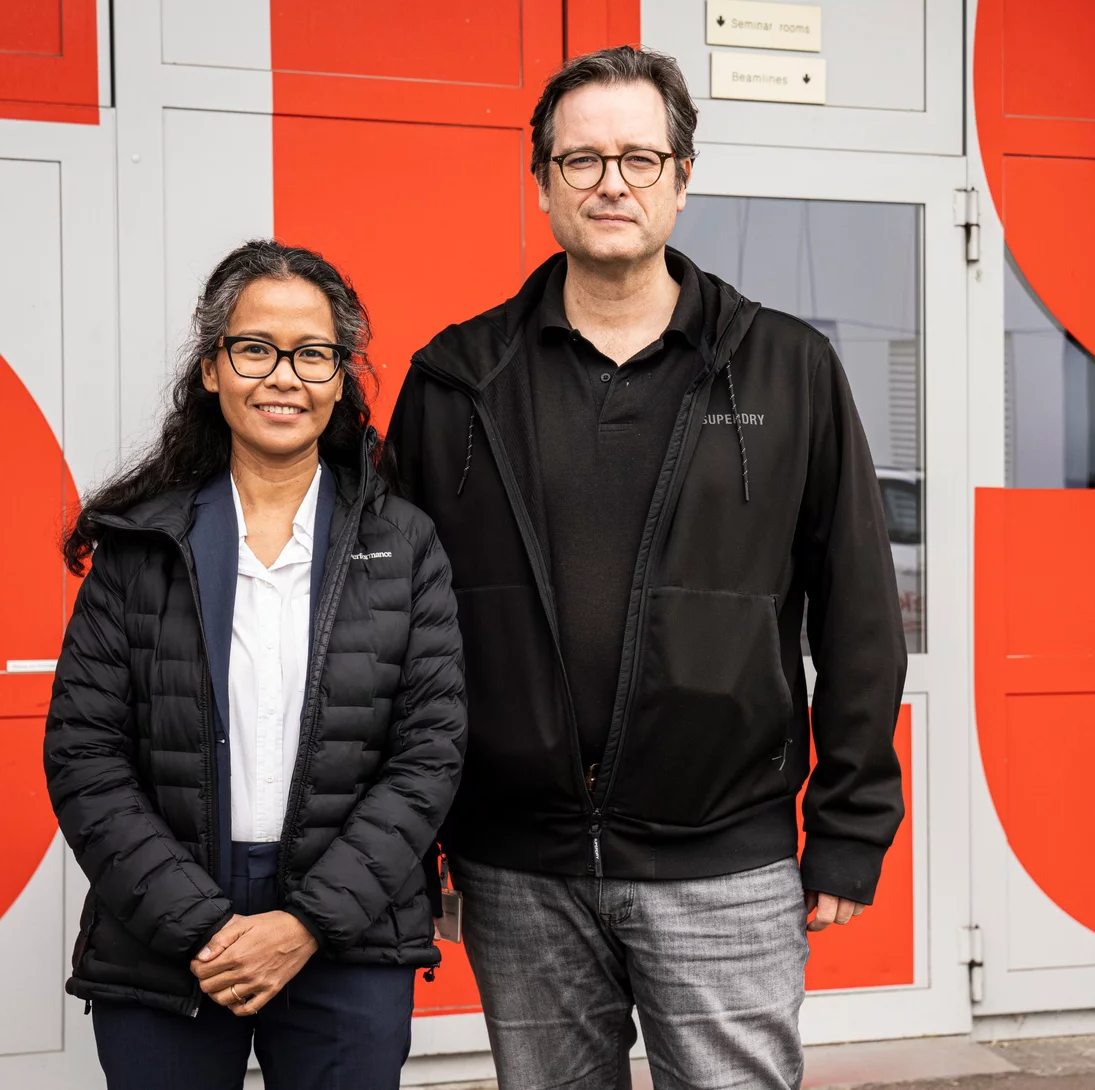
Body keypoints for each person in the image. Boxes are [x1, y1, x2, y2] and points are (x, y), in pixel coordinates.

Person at [383, 46, 907, 1089]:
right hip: (518, 864)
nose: (610, 183)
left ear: (682, 178)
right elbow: (396, 627)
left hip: (724, 856)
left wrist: (850, 825)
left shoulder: (788, 368)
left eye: (638, 158)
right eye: (581, 160)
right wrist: (414, 841)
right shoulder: (455, 380)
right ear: (541, 184)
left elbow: (858, 612)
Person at [45, 239, 467, 1090]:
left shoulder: (404, 544)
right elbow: (85, 755)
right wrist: (201, 925)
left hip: (347, 928)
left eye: (312, 354)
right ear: (211, 368)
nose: (284, 377)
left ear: (341, 378)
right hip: (163, 932)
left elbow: (429, 754)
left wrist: (305, 923)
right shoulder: (141, 546)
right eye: (255, 350)